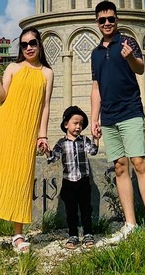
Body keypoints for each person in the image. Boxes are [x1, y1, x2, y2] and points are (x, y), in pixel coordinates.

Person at [0, 27, 54, 256]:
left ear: (39, 44)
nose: (29, 47)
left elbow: (45, 106)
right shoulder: (13, 68)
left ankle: (18, 233)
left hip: (26, 133)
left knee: (21, 178)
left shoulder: (47, 73)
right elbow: (1, 97)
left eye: (32, 43)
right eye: (24, 44)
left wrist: (42, 135)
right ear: (20, 48)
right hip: (2, 127)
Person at [90, 0, 145, 242]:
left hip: (130, 111)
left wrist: (130, 57)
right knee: (120, 167)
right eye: (102, 20)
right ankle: (130, 224)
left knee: (139, 162)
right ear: (97, 23)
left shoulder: (127, 42)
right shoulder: (96, 53)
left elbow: (140, 69)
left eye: (111, 19)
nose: (107, 23)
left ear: (117, 20)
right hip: (108, 116)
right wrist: (94, 118)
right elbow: (96, 87)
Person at [47, 105, 101, 249]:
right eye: (75, 123)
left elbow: (94, 152)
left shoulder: (84, 141)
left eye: (81, 124)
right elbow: (53, 158)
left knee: (85, 208)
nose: (78, 127)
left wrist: (96, 139)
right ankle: (73, 235)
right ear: (66, 124)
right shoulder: (61, 143)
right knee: (71, 210)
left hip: (83, 180)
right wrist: (46, 151)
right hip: (68, 182)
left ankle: (88, 233)